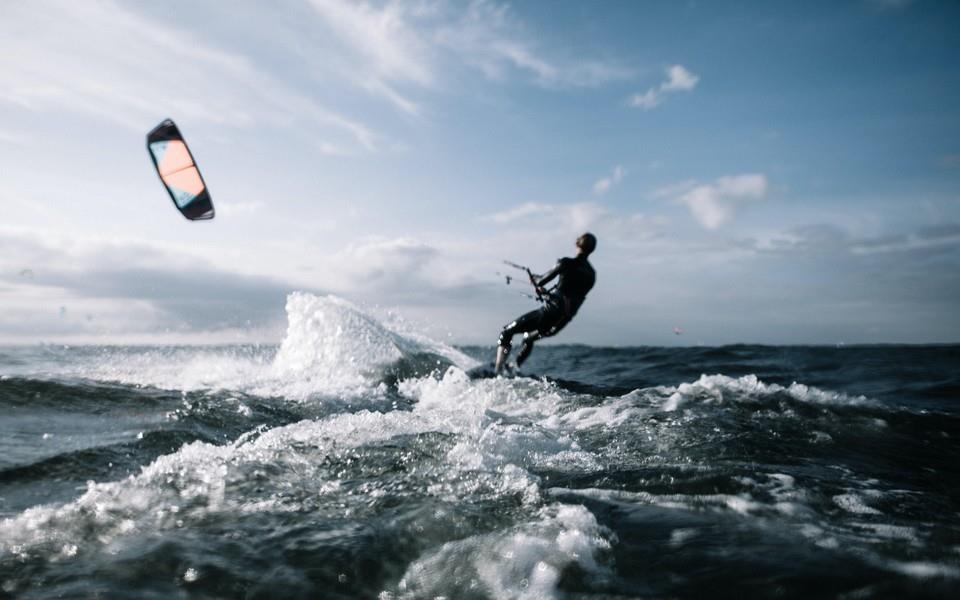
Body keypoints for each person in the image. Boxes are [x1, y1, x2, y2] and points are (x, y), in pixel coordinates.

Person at [495, 233, 597, 374]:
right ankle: (514, 368)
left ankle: (497, 371)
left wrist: (536, 280)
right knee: (528, 338)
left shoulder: (565, 263)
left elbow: (541, 281)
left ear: (577, 244)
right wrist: (547, 291)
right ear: (592, 250)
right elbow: (570, 293)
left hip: (549, 312)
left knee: (506, 332)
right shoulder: (592, 274)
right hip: (561, 321)